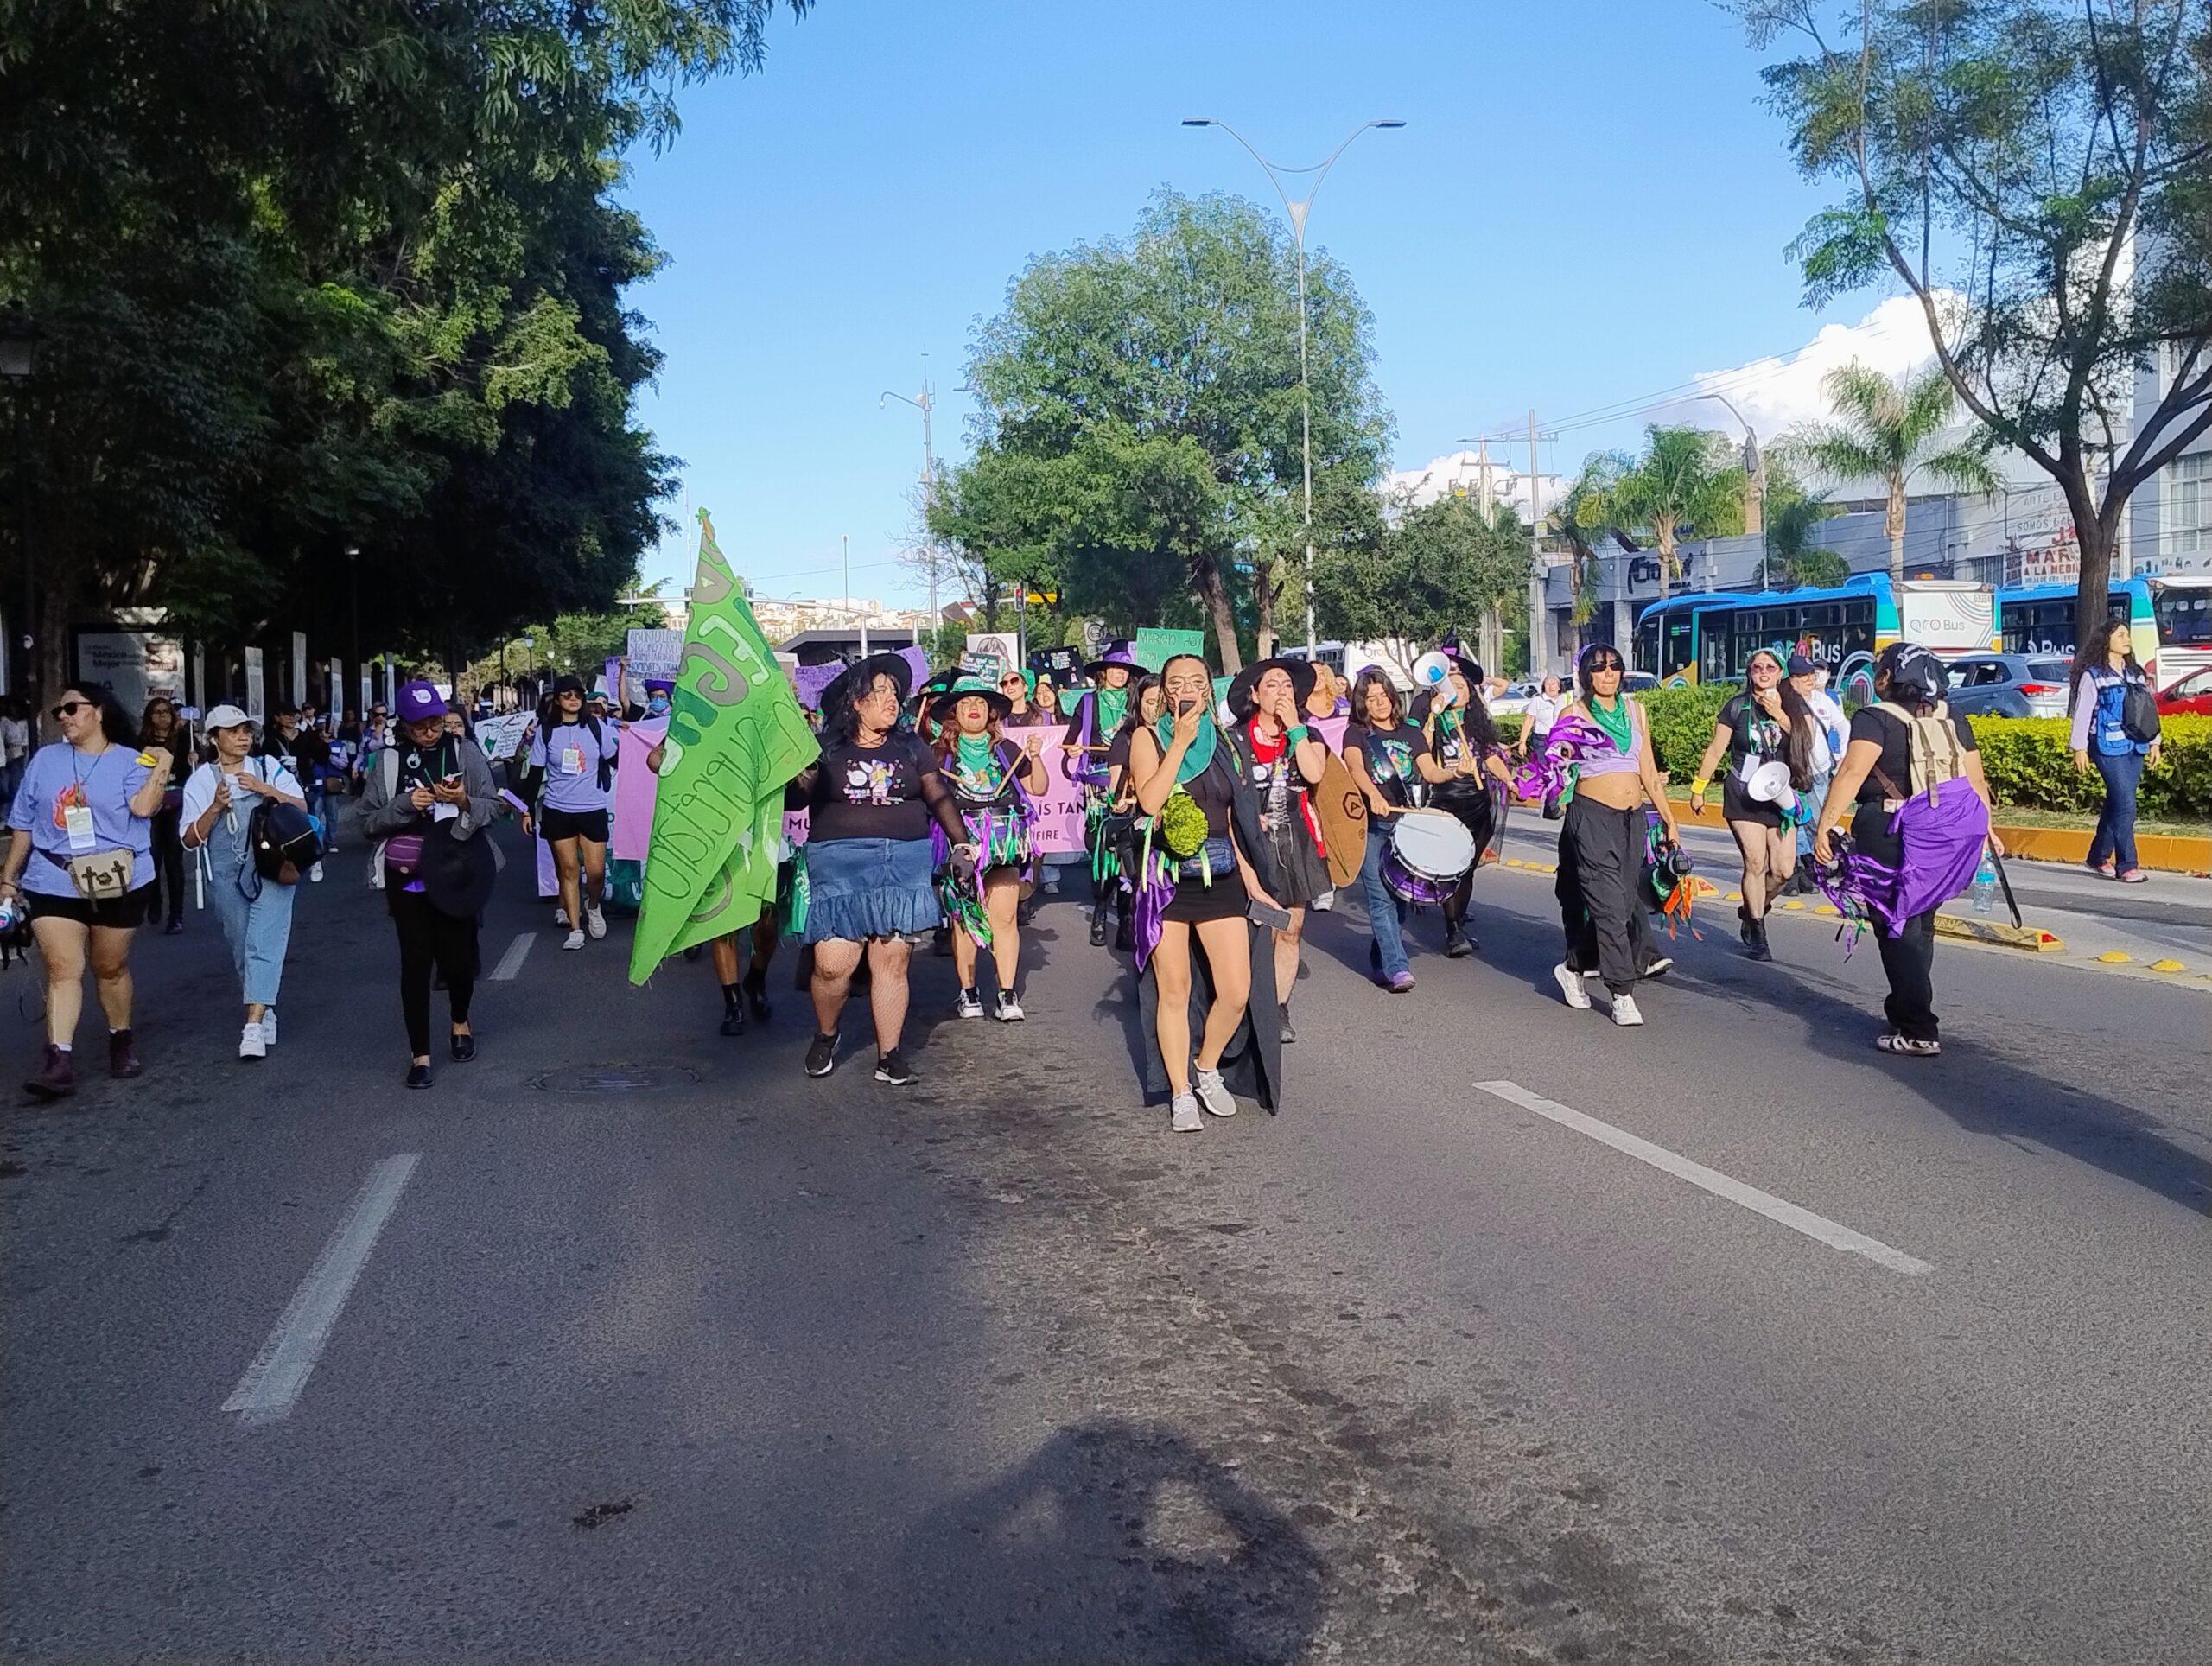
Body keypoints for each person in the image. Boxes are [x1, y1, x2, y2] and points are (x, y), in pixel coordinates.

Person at [789, 652, 976, 1085]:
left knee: (891, 959)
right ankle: (826, 1034)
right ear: (856, 702)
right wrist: (800, 772)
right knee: (835, 962)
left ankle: (889, 1056)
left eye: (894, 692)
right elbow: (795, 802)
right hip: (840, 863)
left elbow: (939, 797)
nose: (892, 700)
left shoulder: (911, 746)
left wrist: (961, 844)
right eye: (880, 693)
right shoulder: (824, 748)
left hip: (902, 861)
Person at [1813, 643, 2001, 1056]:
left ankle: (1918, 1028)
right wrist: (1986, 828)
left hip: (1891, 827)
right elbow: (1976, 780)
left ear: (1888, 678)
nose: (1877, 675)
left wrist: (1825, 825)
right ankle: (1907, 1009)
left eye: (1880, 669)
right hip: (1948, 830)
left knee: (1895, 924)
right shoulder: (1952, 717)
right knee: (1921, 924)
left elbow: (1852, 772)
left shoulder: (1875, 717)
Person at [1128, 653, 1286, 1132]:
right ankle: (1180, 1093)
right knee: (1174, 990)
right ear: (1167, 693)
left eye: (1198, 679)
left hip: (1221, 877)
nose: (1189, 687)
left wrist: (1254, 880)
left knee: (1236, 990)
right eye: (1177, 682)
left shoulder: (1226, 744)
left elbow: (1234, 821)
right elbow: (1150, 799)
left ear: (1209, 689)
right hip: (1167, 881)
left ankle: (1206, 1066)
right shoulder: (1148, 737)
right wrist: (1178, 742)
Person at [1, 685, 168, 1097]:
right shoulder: (45, 760)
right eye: (60, 710)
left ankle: (120, 1037)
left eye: (73, 708)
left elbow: (144, 809)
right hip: (54, 878)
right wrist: (8, 878)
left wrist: (162, 765)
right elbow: (23, 822)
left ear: (99, 712)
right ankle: (58, 1059)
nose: (64, 716)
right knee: (63, 967)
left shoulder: (134, 761)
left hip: (120, 880)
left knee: (109, 967)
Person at [361, 678, 499, 1088]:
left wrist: (462, 802)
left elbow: (494, 806)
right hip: (408, 877)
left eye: (436, 721)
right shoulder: (387, 762)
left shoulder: (465, 751)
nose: (429, 729)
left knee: (457, 961)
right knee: (416, 962)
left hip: (457, 870)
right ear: (403, 724)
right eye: (420, 723)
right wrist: (404, 806)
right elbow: (365, 823)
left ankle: (460, 1023)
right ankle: (419, 1055)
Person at [1548, 645, 1680, 1027]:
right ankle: (1622, 992)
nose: (1608, 674)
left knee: (1622, 906)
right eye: (1599, 668)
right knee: (1606, 904)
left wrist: (1669, 821)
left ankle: (1573, 967)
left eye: (1615, 667)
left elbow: (1649, 772)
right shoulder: (1572, 714)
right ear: (1586, 675)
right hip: (1591, 819)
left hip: (1632, 819)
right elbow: (1558, 766)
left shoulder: (1636, 711)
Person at [181, 705, 306, 1059]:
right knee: (242, 944)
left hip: (273, 865)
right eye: (233, 731)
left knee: (265, 939)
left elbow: (301, 806)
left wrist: (266, 789)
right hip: (225, 871)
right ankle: (264, 1008)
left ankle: (251, 1025)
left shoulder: (266, 767)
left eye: (246, 730)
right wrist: (215, 808)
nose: (242, 736)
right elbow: (189, 840)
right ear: (214, 738)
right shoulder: (202, 780)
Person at [645, 734, 784, 1036]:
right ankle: (732, 1004)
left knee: (767, 923)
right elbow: (654, 759)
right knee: (722, 923)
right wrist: (679, 764)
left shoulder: (764, 719)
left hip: (760, 832)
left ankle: (756, 978)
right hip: (715, 835)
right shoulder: (703, 718)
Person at [1224, 658, 1330, 1042]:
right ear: (1254, 695)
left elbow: (1315, 774)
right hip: (1252, 843)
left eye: (1287, 686)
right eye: (1271, 686)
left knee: (1291, 928)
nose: (1282, 692)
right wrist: (1251, 820)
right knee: (1260, 930)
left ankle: (1279, 1007)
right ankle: (1249, 1003)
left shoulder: (1307, 734)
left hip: (1296, 839)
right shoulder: (1234, 739)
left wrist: (1297, 730)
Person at [1688, 648, 1818, 961]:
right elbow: (1716, 749)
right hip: (1744, 792)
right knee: (1756, 862)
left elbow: (1807, 741)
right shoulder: (1737, 707)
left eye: (1770, 667)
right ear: (1749, 672)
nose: (1763, 672)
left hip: (1780, 794)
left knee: (1783, 870)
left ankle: (1751, 908)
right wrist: (1698, 788)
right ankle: (1758, 933)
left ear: (1780, 672)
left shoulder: (1794, 705)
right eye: (1757, 667)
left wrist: (1779, 714)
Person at [932, 674, 1049, 1021]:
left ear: (991, 713)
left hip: (1003, 843)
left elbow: (1038, 787)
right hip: (961, 846)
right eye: (966, 702)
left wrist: (1036, 756)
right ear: (955, 711)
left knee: (1006, 917)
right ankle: (968, 994)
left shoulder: (1007, 750)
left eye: (981, 703)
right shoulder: (938, 755)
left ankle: (1007, 994)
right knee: (965, 920)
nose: (974, 709)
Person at [1341, 667, 1452, 991]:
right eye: (1371, 698)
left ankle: (1381, 960)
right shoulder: (1356, 734)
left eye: (1383, 695)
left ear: (1393, 696)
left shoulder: (1411, 733)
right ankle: (1398, 968)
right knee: (1380, 900)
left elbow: (1430, 772)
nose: (1379, 703)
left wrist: (1454, 771)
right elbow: (1355, 768)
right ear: (1362, 703)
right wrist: (1373, 795)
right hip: (1371, 826)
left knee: (1401, 898)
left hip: (1407, 827)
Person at [1413, 654, 1516, 958]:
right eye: (1452, 687)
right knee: (1451, 867)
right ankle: (1452, 930)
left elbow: (1491, 757)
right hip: (1447, 799)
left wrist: (1509, 780)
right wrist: (1433, 716)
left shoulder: (1476, 725)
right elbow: (1422, 749)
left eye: (1464, 688)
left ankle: (1459, 922)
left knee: (1468, 869)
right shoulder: (1438, 722)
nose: (1459, 691)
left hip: (1477, 801)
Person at [518, 674, 616, 950]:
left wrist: (636, 741)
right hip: (557, 809)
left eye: (577, 695)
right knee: (569, 870)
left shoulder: (596, 727)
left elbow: (615, 758)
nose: (573, 699)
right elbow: (535, 773)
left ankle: (593, 905)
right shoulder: (546, 731)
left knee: (596, 873)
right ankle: (575, 929)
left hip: (592, 808)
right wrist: (526, 810)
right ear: (558, 700)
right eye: (567, 695)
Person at [2070, 618, 2162, 882]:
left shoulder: (2136, 673)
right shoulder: (2094, 675)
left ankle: (2097, 857)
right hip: (2106, 745)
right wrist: (2079, 748)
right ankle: (2128, 865)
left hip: (2136, 744)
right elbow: (2083, 712)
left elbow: (2148, 710)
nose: (2126, 639)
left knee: (2117, 803)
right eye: (2120, 635)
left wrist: (2155, 741)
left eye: (2127, 635)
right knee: (2126, 804)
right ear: (2106, 640)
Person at [1064, 645, 1140, 946]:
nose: (1121, 674)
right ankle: (1099, 909)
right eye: (1115, 669)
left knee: (1129, 852)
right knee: (1102, 850)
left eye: (1125, 670)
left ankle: (1125, 921)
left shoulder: (1137, 702)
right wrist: (1071, 748)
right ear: (1103, 673)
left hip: (1133, 782)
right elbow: (1071, 740)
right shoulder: (1088, 702)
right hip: (1098, 786)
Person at [1088, 672, 1162, 951]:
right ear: (1138, 703)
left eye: (1161, 701)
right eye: (1149, 701)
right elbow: (1116, 787)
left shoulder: (1176, 736)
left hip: (1164, 822)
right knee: (1122, 878)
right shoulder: (1126, 738)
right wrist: (1127, 799)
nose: (1155, 707)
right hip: (1132, 818)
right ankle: (1102, 911)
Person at [260, 703, 333, 881]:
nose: (291, 718)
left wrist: (323, 742)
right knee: (279, 824)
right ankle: (285, 860)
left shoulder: (306, 737)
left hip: (304, 786)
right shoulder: (271, 739)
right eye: (287, 715)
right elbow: (263, 762)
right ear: (277, 717)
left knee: (311, 820)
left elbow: (322, 758)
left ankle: (316, 858)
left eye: (294, 715)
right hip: (278, 788)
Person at [138, 696, 192, 933]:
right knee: (151, 858)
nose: (162, 716)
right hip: (151, 805)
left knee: (173, 861)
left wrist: (194, 758)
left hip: (176, 805)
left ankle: (177, 915)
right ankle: (154, 900)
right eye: (156, 712)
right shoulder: (140, 741)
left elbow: (198, 766)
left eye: (166, 712)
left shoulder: (184, 740)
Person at [1516, 674, 1563, 760]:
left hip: (1559, 739)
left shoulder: (1564, 700)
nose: (1551, 687)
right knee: (1544, 767)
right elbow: (1528, 721)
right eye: (1547, 684)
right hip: (1541, 740)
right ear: (1544, 687)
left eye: (1553, 684)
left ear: (1559, 686)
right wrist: (1522, 742)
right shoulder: (1537, 700)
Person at [0, 697, 29, 806]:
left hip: (20, 751)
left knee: (19, 778)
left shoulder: (23, 722)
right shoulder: (5, 721)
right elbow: (2, 739)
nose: (14, 709)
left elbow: (26, 739)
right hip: (8, 752)